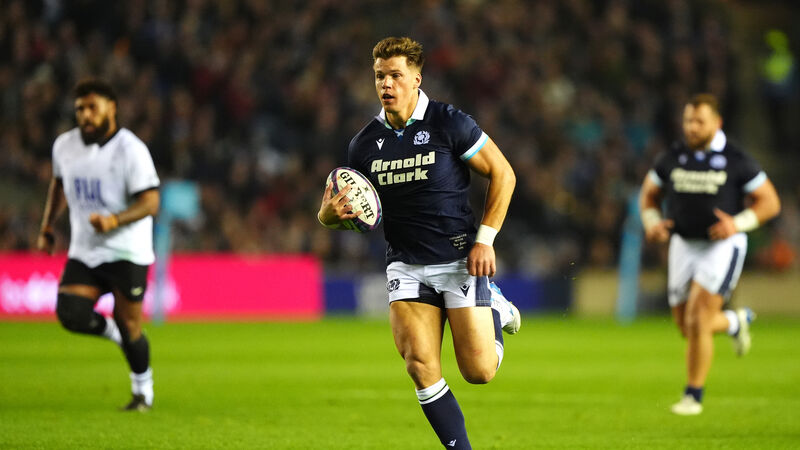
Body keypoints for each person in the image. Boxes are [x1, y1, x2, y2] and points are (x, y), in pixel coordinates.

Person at [318, 37, 519, 449]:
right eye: (379, 76)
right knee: (419, 365)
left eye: (395, 75)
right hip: (406, 264)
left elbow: (503, 173)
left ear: (416, 79)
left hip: (458, 258)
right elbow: (361, 213)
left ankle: (495, 307)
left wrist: (485, 240)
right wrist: (327, 217)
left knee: (479, 372)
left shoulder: (448, 122)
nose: (386, 84)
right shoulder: (363, 145)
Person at [639, 93, 781, 415]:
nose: (691, 127)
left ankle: (693, 395)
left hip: (721, 246)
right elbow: (649, 195)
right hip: (682, 244)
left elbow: (770, 202)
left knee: (699, 318)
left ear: (717, 123)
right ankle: (733, 322)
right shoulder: (673, 156)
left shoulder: (736, 159)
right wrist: (652, 222)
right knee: (685, 326)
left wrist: (738, 224)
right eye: (688, 120)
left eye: (699, 121)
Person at [37, 79, 161, 411]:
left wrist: (114, 220)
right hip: (86, 250)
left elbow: (151, 202)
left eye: (93, 107)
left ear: (112, 108)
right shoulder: (64, 146)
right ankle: (114, 333)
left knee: (131, 326)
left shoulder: (130, 149)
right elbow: (58, 185)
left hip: (127, 251)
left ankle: (143, 391)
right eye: (80, 109)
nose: (85, 115)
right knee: (71, 313)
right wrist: (47, 226)